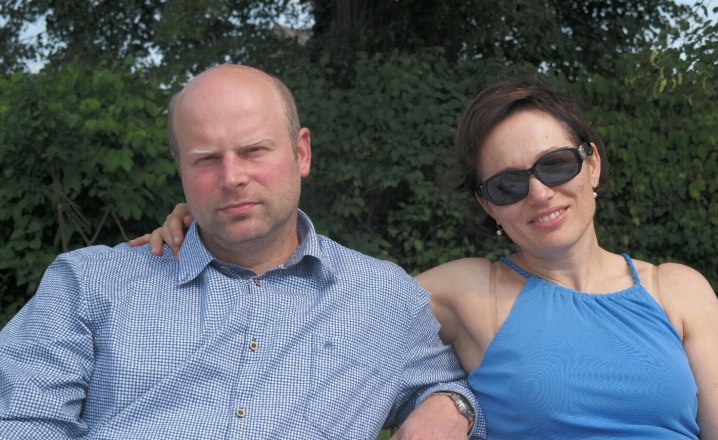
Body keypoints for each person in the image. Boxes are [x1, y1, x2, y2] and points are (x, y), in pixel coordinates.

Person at [143, 76, 718, 439]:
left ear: (592, 164)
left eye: (556, 165)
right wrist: (211, 223)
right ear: (488, 205)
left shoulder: (677, 290)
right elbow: (308, 289)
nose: (540, 194)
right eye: (508, 184)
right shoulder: (466, 292)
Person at [0, 64, 486, 439]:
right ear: (181, 170)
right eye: (207, 159)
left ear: (302, 153)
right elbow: (20, 417)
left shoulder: (382, 298)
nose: (232, 178)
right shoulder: (89, 283)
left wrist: (452, 405)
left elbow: (452, 385)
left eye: (254, 151)